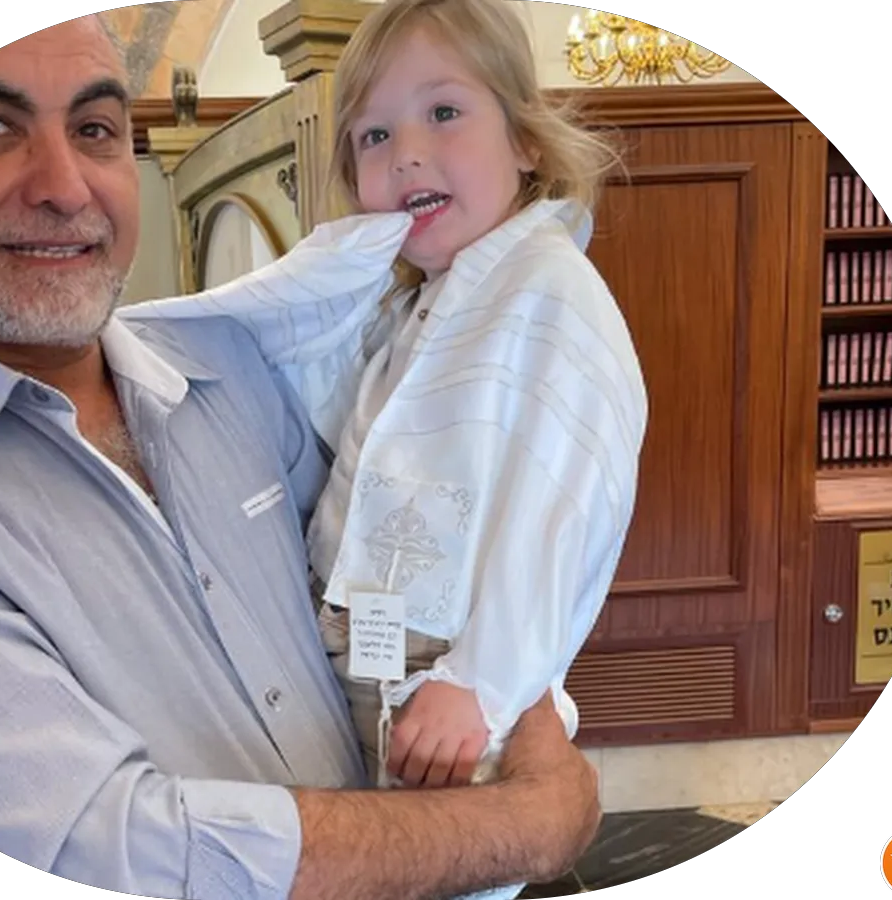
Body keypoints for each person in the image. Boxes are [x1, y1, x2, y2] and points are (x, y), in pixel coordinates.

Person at [0, 14, 603, 900]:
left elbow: (402, 571)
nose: (65, 188)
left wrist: (511, 693)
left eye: (95, 129)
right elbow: (115, 846)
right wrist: (522, 824)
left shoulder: (229, 366)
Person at [128, 4, 645, 898]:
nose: (406, 152)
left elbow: (565, 510)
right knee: (376, 861)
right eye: (374, 134)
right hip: (371, 659)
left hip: (451, 674)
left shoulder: (548, 291)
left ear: (526, 140)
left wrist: (483, 683)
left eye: (443, 112)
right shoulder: (421, 301)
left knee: (444, 867)